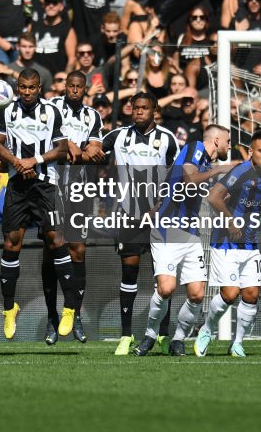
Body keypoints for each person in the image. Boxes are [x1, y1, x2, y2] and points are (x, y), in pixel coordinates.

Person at [0, 68, 76, 341]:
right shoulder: (4, 110)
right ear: (17, 87)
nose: (27, 92)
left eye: (32, 87)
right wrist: (18, 162)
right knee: (11, 244)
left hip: (44, 184)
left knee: (56, 240)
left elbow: (62, 149)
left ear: (40, 88)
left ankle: (70, 307)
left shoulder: (52, 112)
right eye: (23, 87)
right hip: (17, 185)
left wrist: (34, 161)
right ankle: (8, 308)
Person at [143, 123, 234, 356]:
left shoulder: (205, 164)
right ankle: (150, 335)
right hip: (167, 230)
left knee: (197, 294)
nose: (229, 146)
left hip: (190, 232)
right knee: (166, 288)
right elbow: (189, 180)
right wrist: (221, 169)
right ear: (216, 141)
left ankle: (178, 340)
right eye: (228, 141)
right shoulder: (195, 148)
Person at [99, 91, 179, 356]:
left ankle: (164, 335)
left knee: (163, 279)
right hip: (128, 214)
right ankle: (125, 335)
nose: (139, 112)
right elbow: (95, 148)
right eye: (135, 108)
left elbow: (175, 175)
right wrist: (83, 150)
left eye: (144, 108)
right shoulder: (119, 135)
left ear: (155, 109)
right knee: (129, 275)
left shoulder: (168, 139)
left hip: (159, 217)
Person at [195, 130, 261, 358]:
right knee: (231, 294)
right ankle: (207, 329)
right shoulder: (240, 172)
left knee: (251, 294)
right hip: (225, 243)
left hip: (251, 244)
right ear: (251, 152)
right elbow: (213, 196)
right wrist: (230, 222)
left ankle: (237, 343)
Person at [43, 70, 103, 343]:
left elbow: (94, 149)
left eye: (80, 86)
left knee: (78, 249)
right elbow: (49, 140)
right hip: (51, 185)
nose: (75, 90)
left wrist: (83, 148)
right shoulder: (51, 107)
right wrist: (71, 145)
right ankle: (51, 318)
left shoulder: (93, 116)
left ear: (85, 89)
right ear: (65, 86)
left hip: (79, 188)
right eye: (71, 86)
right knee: (53, 247)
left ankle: (74, 312)